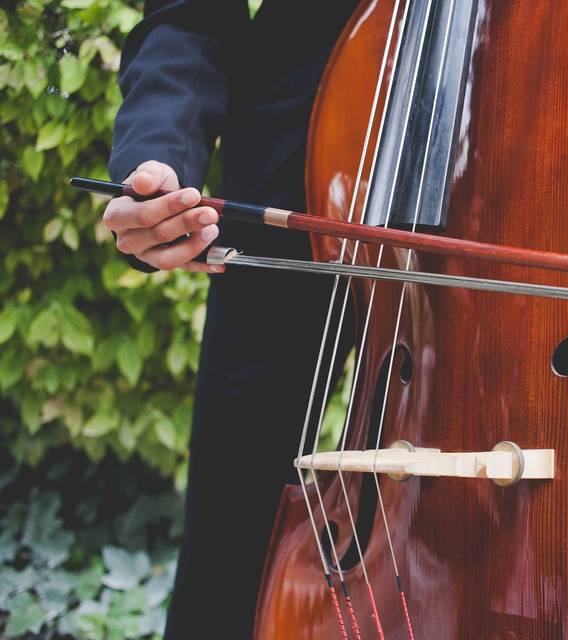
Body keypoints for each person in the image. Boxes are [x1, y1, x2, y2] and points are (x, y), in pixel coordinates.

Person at [102, 1, 357, 637]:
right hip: (307, 170)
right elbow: (193, 12)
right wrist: (159, 153)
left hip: (554, 133)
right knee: (233, 545)